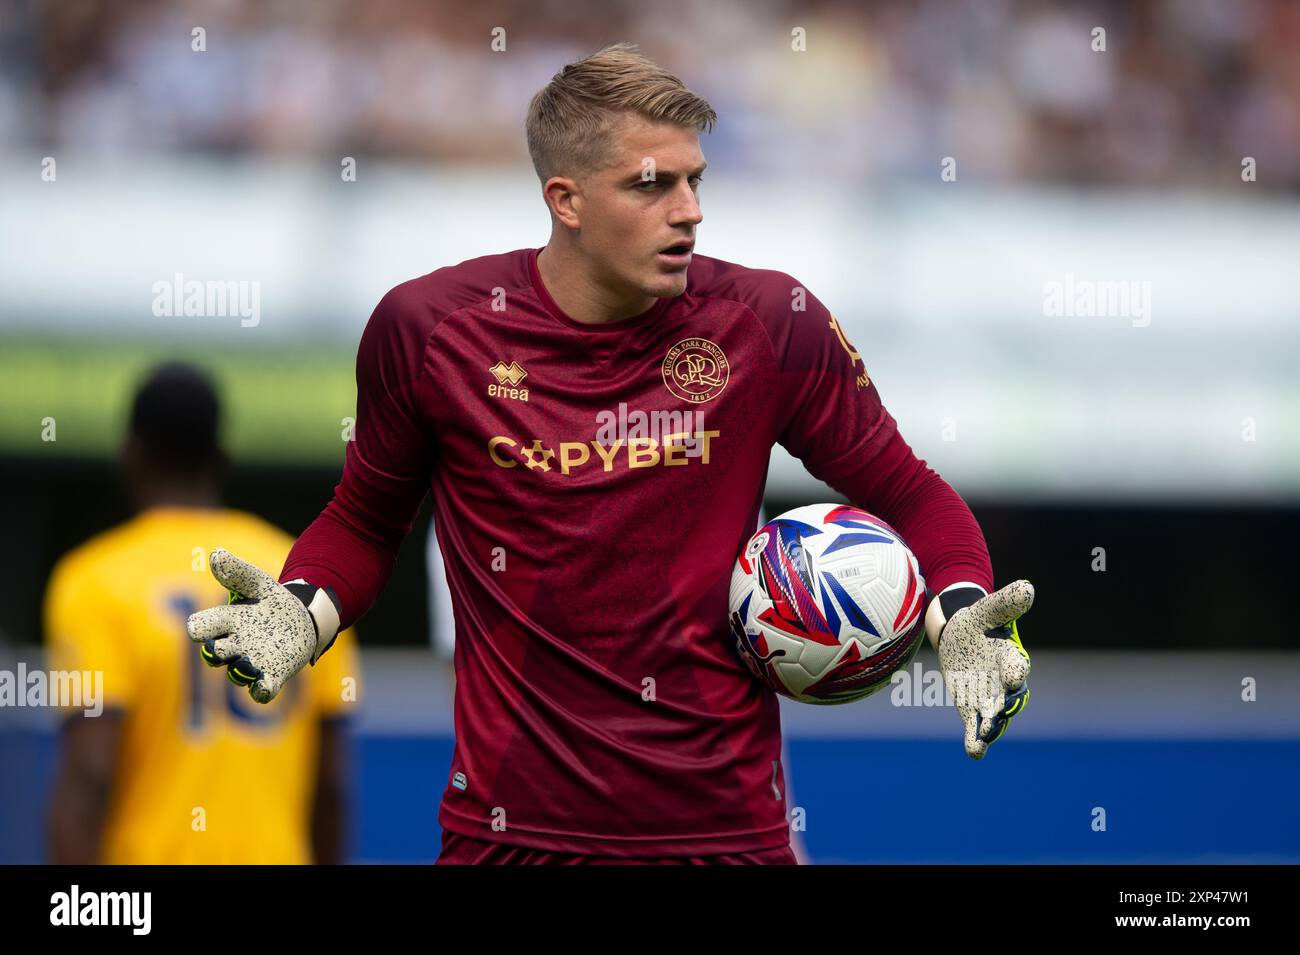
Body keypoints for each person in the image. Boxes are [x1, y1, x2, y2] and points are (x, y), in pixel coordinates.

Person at [186, 43, 1034, 865]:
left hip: (725, 837)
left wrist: (958, 612)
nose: (689, 209)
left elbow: (910, 492)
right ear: (567, 199)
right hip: (508, 837)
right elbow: (366, 522)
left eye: (695, 179)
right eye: (651, 185)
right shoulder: (432, 330)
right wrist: (300, 610)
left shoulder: (769, 323)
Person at [45, 362, 359, 864]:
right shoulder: (298, 572)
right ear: (221, 456)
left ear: (131, 454)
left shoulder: (94, 579)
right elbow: (333, 783)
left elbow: (91, 772)